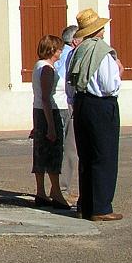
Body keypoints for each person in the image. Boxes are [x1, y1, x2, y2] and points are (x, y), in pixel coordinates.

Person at [67, 8, 123, 221]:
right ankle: (101, 207)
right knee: (104, 155)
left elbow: (70, 84)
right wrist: (120, 75)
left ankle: (85, 204)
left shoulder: (76, 52)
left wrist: (75, 102)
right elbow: (109, 85)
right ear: (98, 29)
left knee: (86, 155)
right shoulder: (103, 52)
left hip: (81, 104)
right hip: (101, 105)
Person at [31, 34, 69, 209]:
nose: (62, 51)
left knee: (40, 152)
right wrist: (52, 127)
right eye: (59, 48)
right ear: (52, 50)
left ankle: (41, 192)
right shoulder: (47, 68)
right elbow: (46, 97)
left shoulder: (39, 66)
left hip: (39, 112)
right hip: (49, 112)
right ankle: (55, 192)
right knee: (53, 152)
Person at [55, 25, 81, 200]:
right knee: (70, 149)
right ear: (74, 40)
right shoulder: (69, 56)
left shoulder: (60, 54)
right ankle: (63, 189)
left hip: (58, 105)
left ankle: (59, 189)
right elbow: (67, 82)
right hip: (66, 105)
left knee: (62, 148)